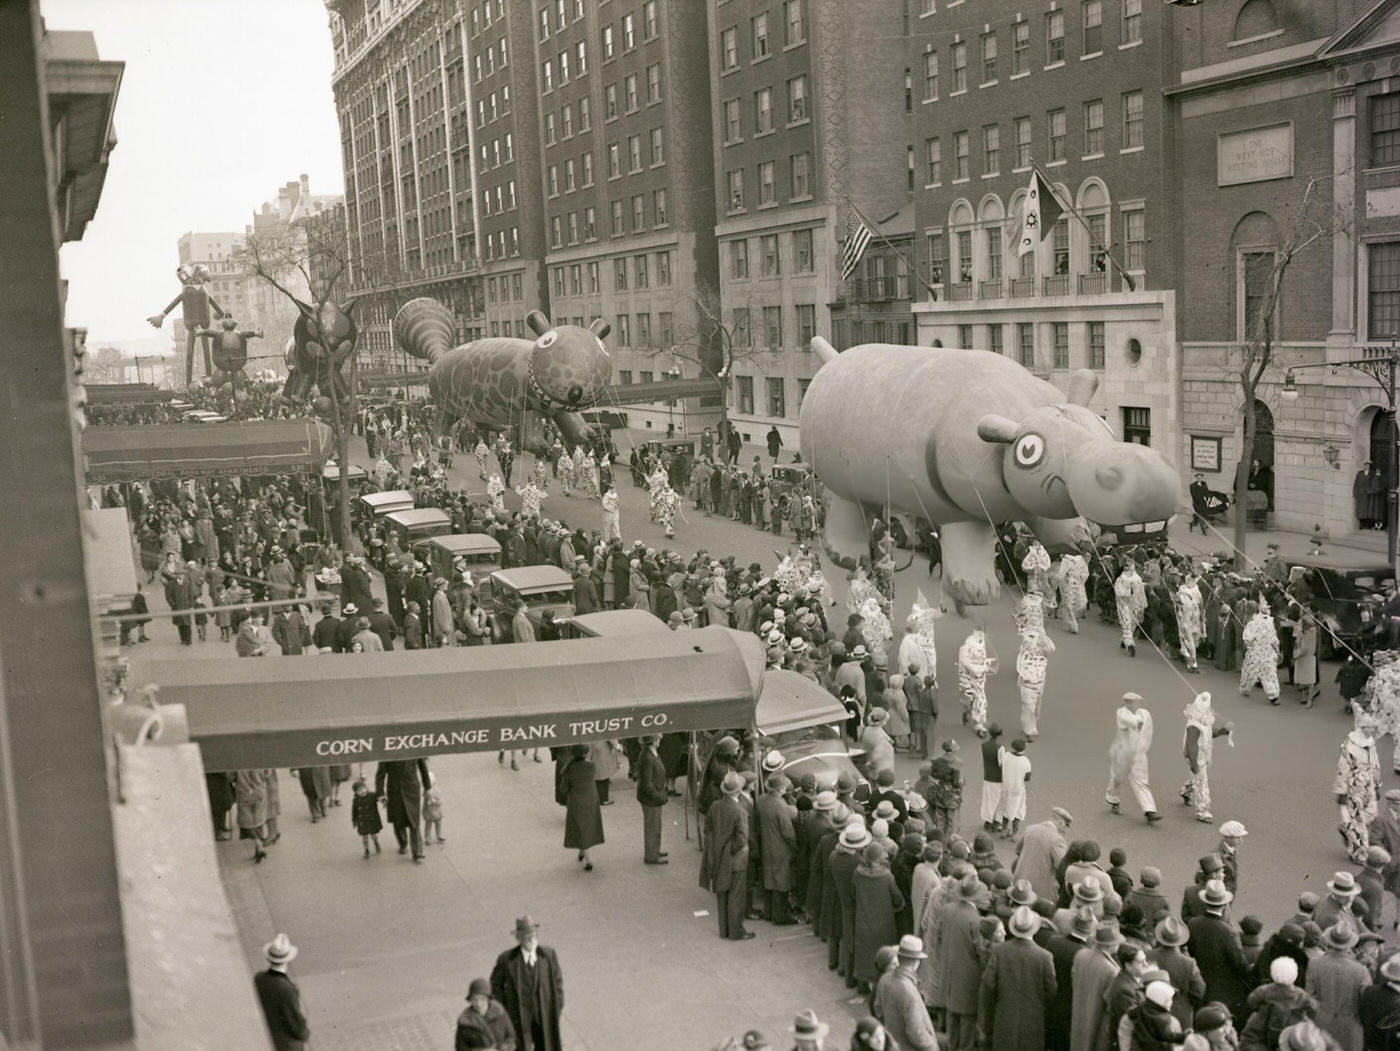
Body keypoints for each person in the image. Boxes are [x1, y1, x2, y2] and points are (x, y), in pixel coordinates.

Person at [980, 905, 1057, 1051]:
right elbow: (1051, 992)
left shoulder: (999, 951)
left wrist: (986, 1023)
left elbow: (988, 987)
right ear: (1033, 928)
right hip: (1033, 1023)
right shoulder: (1045, 957)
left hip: (1004, 1020)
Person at [490, 916, 564, 1051]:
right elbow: (495, 984)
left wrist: (556, 1008)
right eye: (526, 936)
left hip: (544, 1017)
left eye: (534, 935)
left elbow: (558, 983)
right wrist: (505, 1009)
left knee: (546, 1047)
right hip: (520, 1019)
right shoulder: (507, 960)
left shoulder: (548, 955)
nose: (531, 939)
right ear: (519, 938)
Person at [1188, 879, 1254, 1019]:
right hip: (1221, 992)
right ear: (1224, 905)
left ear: (1206, 902)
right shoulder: (1228, 932)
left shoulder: (1193, 924)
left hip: (1197, 985)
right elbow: (1239, 964)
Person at [700, 771, 754, 940]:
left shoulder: (715, 806)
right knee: (736, 895)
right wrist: (731, 850)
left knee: (722, 892)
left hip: (716, 856)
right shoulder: (740, 811)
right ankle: (736, 931)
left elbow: (707, 829)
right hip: (735, 858)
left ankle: (724, 930)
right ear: (738, 791)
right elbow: (742, 837)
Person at [1305, 923, 1369, 1051]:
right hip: (1350, 1028)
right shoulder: (1361, 970)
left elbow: (1309, 997)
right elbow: (1366, 1004)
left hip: (1322, 1024)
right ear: (1349, 944)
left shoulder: (1314, 964)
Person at [875, 934, 939, 1050]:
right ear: (916, 962)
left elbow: (878, 1009)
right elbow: (917, 1034)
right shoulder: (908, 992)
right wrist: (933, 1046)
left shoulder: (884, 979)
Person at [1336, 713, 1383, 865]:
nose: (1370, 730)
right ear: (1360, 727)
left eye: (1372, 727)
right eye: (1366, 727)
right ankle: (1358, 853)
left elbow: (1375, 765)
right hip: (1353, 785)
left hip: (1368, 784)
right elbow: (1343, 768)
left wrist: (1377, 784)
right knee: (1358, 820)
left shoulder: (1370, 743)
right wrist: (1341, 790)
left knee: (1371, 815)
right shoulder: (1349, 744)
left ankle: (1346, 827)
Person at [1181, 692, 1235, 824]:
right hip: (1197, 758)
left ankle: (1186, 791)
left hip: (1203, 756)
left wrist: (1224, 730)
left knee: (1195, 779)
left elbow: (1211, 733)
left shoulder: (1203, 720)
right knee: (1202, 782)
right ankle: (1202, 811)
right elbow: (1191, 745)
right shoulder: (1194, 725)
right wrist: (1194, 763)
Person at [1108, 693, 1161, 823]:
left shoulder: (1144, 713)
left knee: (1141, 781)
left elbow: (1148, 728)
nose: (1135, 704)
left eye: (1137, 702)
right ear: (1126, 703)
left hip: (1139, 754)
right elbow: (1131, 721)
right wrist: (1139, 721)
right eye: (1131, 702)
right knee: (1117, 778)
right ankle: (1113, 799)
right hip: (1123, 752)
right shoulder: (1121, 713)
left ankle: (1149, 811)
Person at [253, 933, 311, 1051]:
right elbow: (298, 1028)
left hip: (266, 1039)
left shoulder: (259, 979)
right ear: (287, 960)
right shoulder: (287, 989)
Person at [1149, 917, 1205, 1034]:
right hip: (1180, 1014)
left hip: (1151, 1011)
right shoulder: (1189, 963)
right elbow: (1199, 991)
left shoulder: (1148, 956)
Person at [757, 773, 799, 924]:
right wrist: (795, 847)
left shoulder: (761, 800)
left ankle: (768, 912)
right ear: (781, 789)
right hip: (781, 849)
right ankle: (780, 916)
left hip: (766, 846)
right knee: (782, 883)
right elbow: (788, 832)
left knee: (768, 881)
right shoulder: (781, 806)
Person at [1013, 806, 1073, 903]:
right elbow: (1062, 866)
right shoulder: (1057, 840)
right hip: (1041, 891)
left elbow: (1018, 850)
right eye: (1065, 826)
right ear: (1061, 822)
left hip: (1020, 884)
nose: (1063, 830)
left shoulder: (1030, 829)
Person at [375, 757, 430, 862]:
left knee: (414, 820)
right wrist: (381, 793)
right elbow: (380, 774)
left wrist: (428, 788)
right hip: (394, 791)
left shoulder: (413, 747)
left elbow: (423, 768)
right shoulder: (387, 752)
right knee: (398, 821)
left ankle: (417, 851)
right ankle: (403, 843)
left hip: (412, 790)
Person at [560, 745, 603, 872]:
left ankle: (588, 860)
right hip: (591, 800)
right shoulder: (591, 766)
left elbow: (563, 789)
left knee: (580, 827)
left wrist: (564, 773)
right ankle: (582, 852)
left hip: (576, 802)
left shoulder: (569, 769)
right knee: (587, 827)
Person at [456, 976, 518, 1051]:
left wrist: (501, 1049)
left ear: (488, 999)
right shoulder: (465, 1021)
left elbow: (511, 1036)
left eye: (482, 999)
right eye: (475, 999)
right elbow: (460, 1047)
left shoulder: (499, 1012)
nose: (479, 1004)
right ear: (470, 1000)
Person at [1016, 625, 1056, 739]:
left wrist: (1043, 637)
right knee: (1028, 705)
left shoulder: (1043, 649)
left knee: (1037, 703)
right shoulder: (1025, 650)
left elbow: (1052, 648)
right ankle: (1028, 730)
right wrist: (1023, 675)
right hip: (1027, 680)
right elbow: (1020, 664)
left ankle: (1033, 723)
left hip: (1039, 678)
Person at [635, 734, 669, 865]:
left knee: (655, 825)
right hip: (651, 799)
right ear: (653, 742)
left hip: (654, 797)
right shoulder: (647, 758)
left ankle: (655, 850)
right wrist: (659, 796)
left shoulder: (651, 753)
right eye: (658, 739)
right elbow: (647, 783)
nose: (659, 740)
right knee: (652, 827)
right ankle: (651, 856)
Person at [999, 739, 1033, 838]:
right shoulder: (1025, 761)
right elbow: (1027, 778)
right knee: (1018, 810)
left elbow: (1001, 766)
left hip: (1006, 786)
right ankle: (1015, 833)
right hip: (1018, 788)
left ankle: (1004, 830)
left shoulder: (1006, 756)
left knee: (1005, 808)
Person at [1115, 560, 1147, 657]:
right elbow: (1118, 592)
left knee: (1133, 624)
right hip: (1124, 605)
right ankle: (1130, 645)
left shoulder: (1138, 579)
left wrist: (1143, 604)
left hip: (1135, 605)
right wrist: (1129, 591)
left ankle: (1125, 639)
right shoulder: (1120, 579)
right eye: (1126, 566)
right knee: (1126, 622)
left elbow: (1141, 593)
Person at [350, 777, 382, 858]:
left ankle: (376, 843)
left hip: (371, 820)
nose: (363, 791)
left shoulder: (372, 795)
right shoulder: (356, 800)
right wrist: (354, 820)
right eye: (360, 790)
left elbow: (379, 797)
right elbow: (354, 811)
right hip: (362, 821)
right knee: (364, 837)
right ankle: (367, 850)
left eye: (364, 788)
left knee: (373, 835)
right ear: (356, 792)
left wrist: (383, 799)